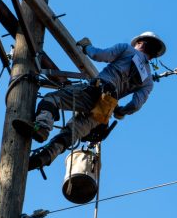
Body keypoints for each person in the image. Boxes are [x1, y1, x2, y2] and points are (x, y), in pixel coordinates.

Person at [13, 31, 166, 171]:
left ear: (140, 43)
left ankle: (42, 127)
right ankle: (46, 156)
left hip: (96, 90)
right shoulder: (148, 81)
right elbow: (136, 105)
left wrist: (87, 47)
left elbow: (100, 56)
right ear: (153, 56)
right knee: (72, 132)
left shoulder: (127, 49)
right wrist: (121, 111)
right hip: (105, 109)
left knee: (52, 99)